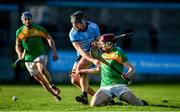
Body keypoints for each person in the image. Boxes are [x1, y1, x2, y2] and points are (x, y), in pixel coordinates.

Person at [76, 33, 148, 106]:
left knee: (138, 104)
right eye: (101, 43)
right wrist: (81, 71)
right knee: (94, 104)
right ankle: (111, 102)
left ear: (109, 44)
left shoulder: (118, 53)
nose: (101, 45)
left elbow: (131, 69)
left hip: (120, 87)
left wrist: (127, 75)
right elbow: (98, 70)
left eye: (103, 43)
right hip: (105, 88)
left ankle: (140, 101)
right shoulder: (102, 55)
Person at [15, 11, 61, 101]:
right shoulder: (19, 32)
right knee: (42, 82)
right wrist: (19, 54)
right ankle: (55, 95)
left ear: (31, 19)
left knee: (41, 69)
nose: (27, 21)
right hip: (28, 58)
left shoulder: (38, 28)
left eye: (29, 19)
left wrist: (54, 52)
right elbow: (17, 45)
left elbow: (49, 38)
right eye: (25, 19)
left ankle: (52, 84)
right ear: (22, 20)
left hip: (40, 54)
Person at [69, 11, 101, 104]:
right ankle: (97, 97)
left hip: (94, 51)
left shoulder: (93, 26)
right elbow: (80, 51)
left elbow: (100, 41)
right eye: (74, 24)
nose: (75, 26)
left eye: (77, 23)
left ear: (83, 21)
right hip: (82, 54)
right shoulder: (73, 33)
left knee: (81, 68)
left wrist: (97, 44)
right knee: (74, 80)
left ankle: (84, 96)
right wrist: (93, 61)